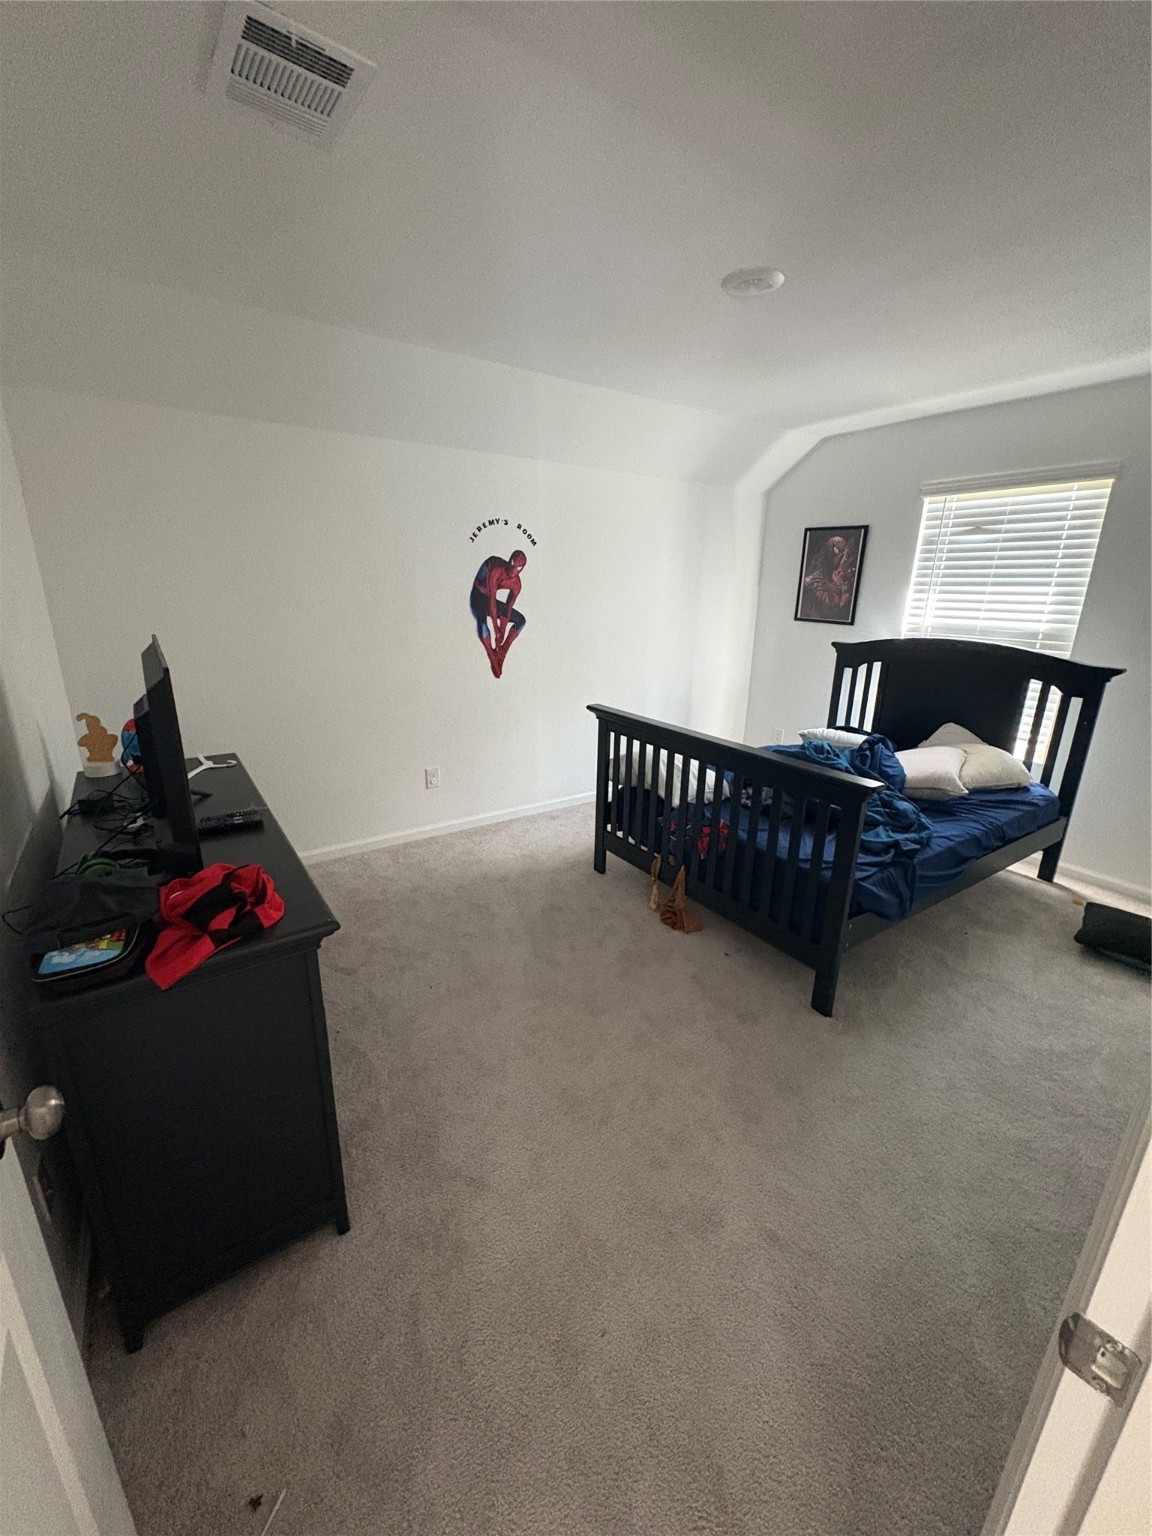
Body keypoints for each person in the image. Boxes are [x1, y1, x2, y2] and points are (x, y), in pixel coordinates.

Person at [470, 550, 527, 678]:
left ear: (521, 569)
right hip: (478, 595)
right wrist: (497, 629)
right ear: (509, 560)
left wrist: (502, 631)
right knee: (482, 620)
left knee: (521, 621)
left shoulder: (517, 584)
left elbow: (507, 609)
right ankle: (492, 656)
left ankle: (502, 652)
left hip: (489, 599)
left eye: (518, 567)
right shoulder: (496, 569)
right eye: (513, 563)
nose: (514, 568)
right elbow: (491, 602)